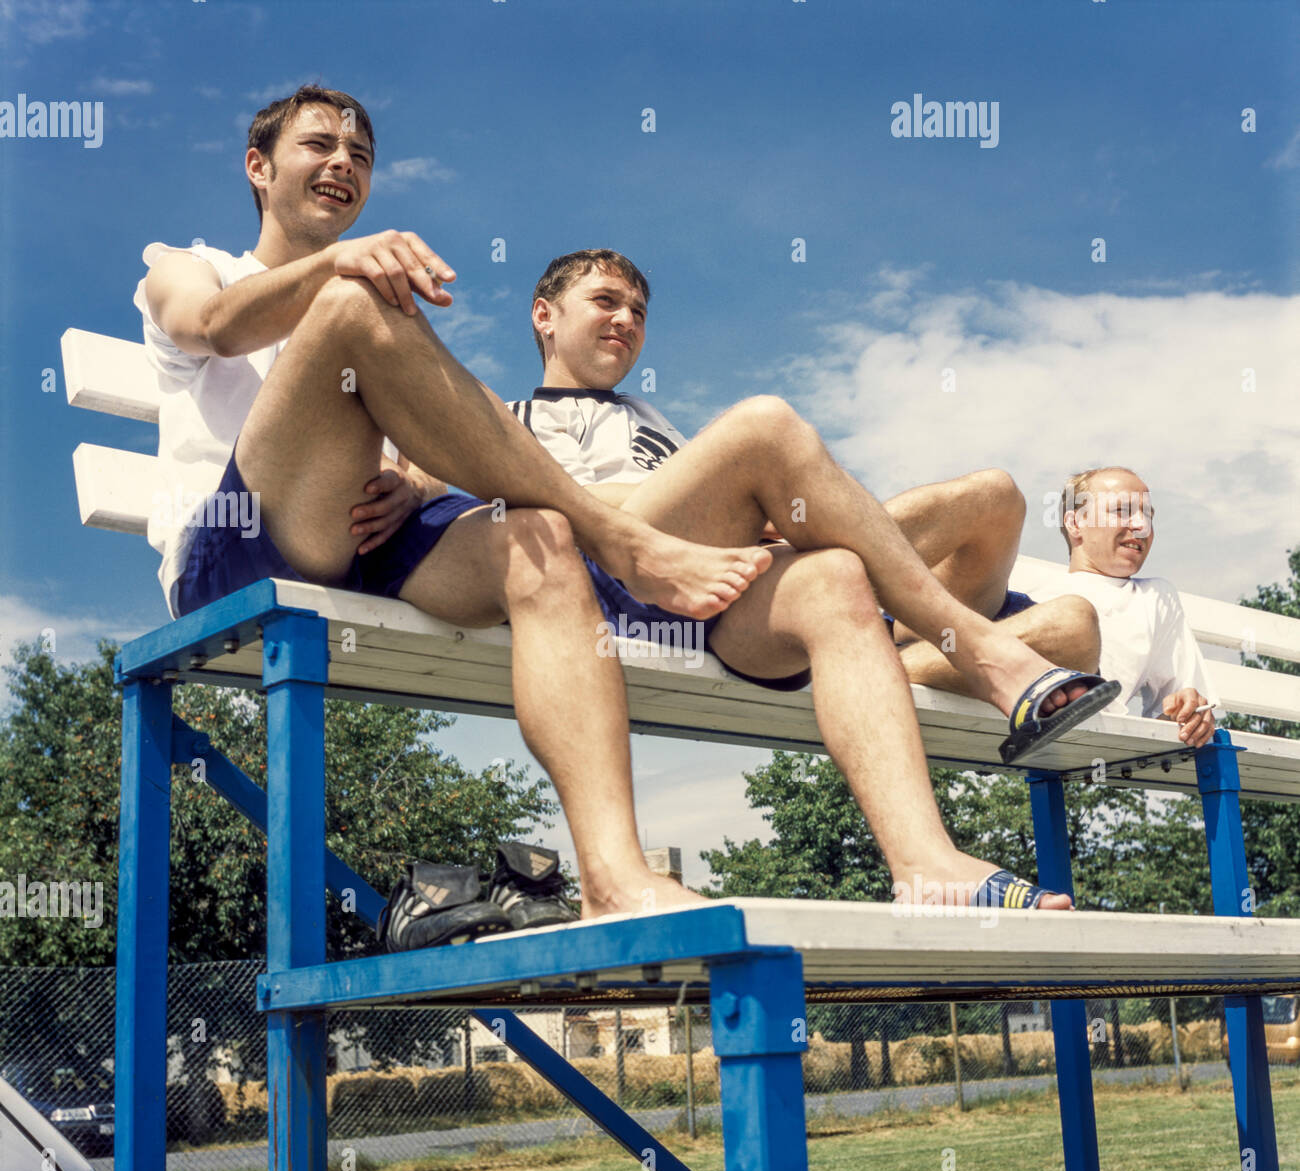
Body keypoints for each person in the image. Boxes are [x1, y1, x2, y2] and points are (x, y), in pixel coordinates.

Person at [134, 85, 773, 943]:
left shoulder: (359, 290)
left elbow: (421, 445)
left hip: (357, 541)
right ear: (258, 167)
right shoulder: (192, 263)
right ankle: (619, 536)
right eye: (318, 146)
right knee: (358, 302)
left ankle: (614, 876)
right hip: (233, 553)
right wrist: (340, 265)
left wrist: (416, 481)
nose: (342, 164)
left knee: (539, 539)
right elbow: (207, 325)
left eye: (359, 156)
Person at [512, 250, 1116, 768]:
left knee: (1015, 526)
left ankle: (885, 658)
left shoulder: (650, 421)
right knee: (763, 427)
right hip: (648, 588)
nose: (627, 320)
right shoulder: (514, 421)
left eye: (638, 311)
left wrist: (777, 508)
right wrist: (758, 501)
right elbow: (575, 506)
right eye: (606, 301)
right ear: (545, 315)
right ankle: (967, 647)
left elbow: (724, 495)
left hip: (785, 582)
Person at [1013, 468, 1218, 750]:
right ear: (1076, 523)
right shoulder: (1026, 582)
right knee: (1074, 617)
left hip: (1100, 737)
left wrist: (1188, 712)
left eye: (1148, 516)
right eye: (1122, 510)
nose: (1141, 526)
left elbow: (1172, 713)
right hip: (1010, 715)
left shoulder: (1156, 597)